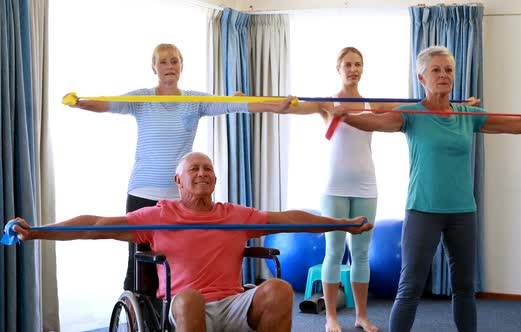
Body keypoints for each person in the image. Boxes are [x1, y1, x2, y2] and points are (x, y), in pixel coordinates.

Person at [333, 45, 521, 332]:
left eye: (449, 70)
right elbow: (377, 122)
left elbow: (517, 124)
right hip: (423, 210)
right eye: (436, 70)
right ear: (421, 78)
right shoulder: (410, 113)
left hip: (462, 212)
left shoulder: (468, 115)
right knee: (410, 287)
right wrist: (348, 116)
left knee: (464, 288)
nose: (444, 75)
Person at [11, 151, 373, 332]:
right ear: (179, 181)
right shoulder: (159, 215)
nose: (202, 173)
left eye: (208, 169)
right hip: (184, 308)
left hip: (234, 302)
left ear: (214, 179)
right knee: (189, 298)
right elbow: (96, 225)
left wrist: (341, 223)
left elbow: (291, 219)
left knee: (278, 288)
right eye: (193, 170)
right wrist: (38, 231)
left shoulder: (234, 214)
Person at [65, 43, 293, 291]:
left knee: (179, 262)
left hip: (180, 198)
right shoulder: (141, 99)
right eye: (163, 62)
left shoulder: (194, 101)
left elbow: (235, 105)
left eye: (174, 61)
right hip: (143, 193)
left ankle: (176, 315)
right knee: (140, 265)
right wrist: (80, 103)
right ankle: (141, 319)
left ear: (181, 66)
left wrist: (275, 106)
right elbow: (107, 104)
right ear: (154, 67)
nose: (169, 66)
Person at [286, 47, 478, 332]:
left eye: (358, 64)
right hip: (334, 186)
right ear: (338, 68)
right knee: (334, 251)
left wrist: (462, 102)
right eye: (348, 64)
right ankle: (331, 317)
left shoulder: (373, 103)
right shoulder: (328, 103)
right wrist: (263, 102)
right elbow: (292, 106)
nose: (353, 69)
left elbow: (420, 103)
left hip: (366, 184)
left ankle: (361, 316)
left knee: (362, 253)